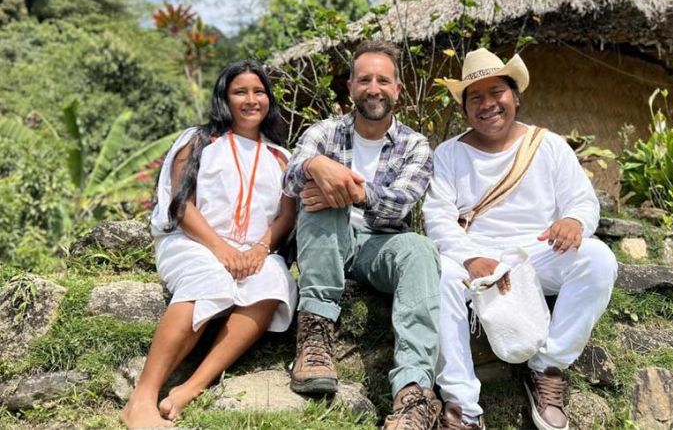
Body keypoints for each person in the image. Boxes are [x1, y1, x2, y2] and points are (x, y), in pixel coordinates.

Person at [423, 48, 618, 430]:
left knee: (598, 259)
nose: (487, 104)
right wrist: (468, 257)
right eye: (475, 97)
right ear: (464, 108)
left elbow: (581, 201)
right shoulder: (449, 154)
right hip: (474, 255)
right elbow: (438, 217)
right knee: (440, 276)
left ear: (515, 96)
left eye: (496, 92)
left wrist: (574, 221)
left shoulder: (548, 145)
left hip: (537, 253)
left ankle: (547, 367)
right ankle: (462, 407)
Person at [122, 60, 298, 429]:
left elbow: (285, 216)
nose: (251, 100)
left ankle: (191, 387)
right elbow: (182, 204)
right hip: (192, 243)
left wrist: (259, 251)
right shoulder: (199, 140)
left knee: (274, 282)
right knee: (210, 280)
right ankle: (141, 399)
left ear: (268, 98)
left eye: (259, 91)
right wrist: (221, 250)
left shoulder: (280, 156)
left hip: (252, 252)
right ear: (224, 97)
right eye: (240, 92)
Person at [283, 40, 442, 429]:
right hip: (328, 239)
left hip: (381, 245)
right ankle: (316, 338)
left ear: (398, 90)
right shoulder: (324, 132)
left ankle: (414, 393)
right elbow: (289, 178)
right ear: (351, 87)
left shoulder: (415, 145)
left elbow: (400, 204)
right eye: (365, 79)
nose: (374, 88)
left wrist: (351, 188)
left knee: (420, 249)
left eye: (383, 80)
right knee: (322, 197)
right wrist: (318, 164)